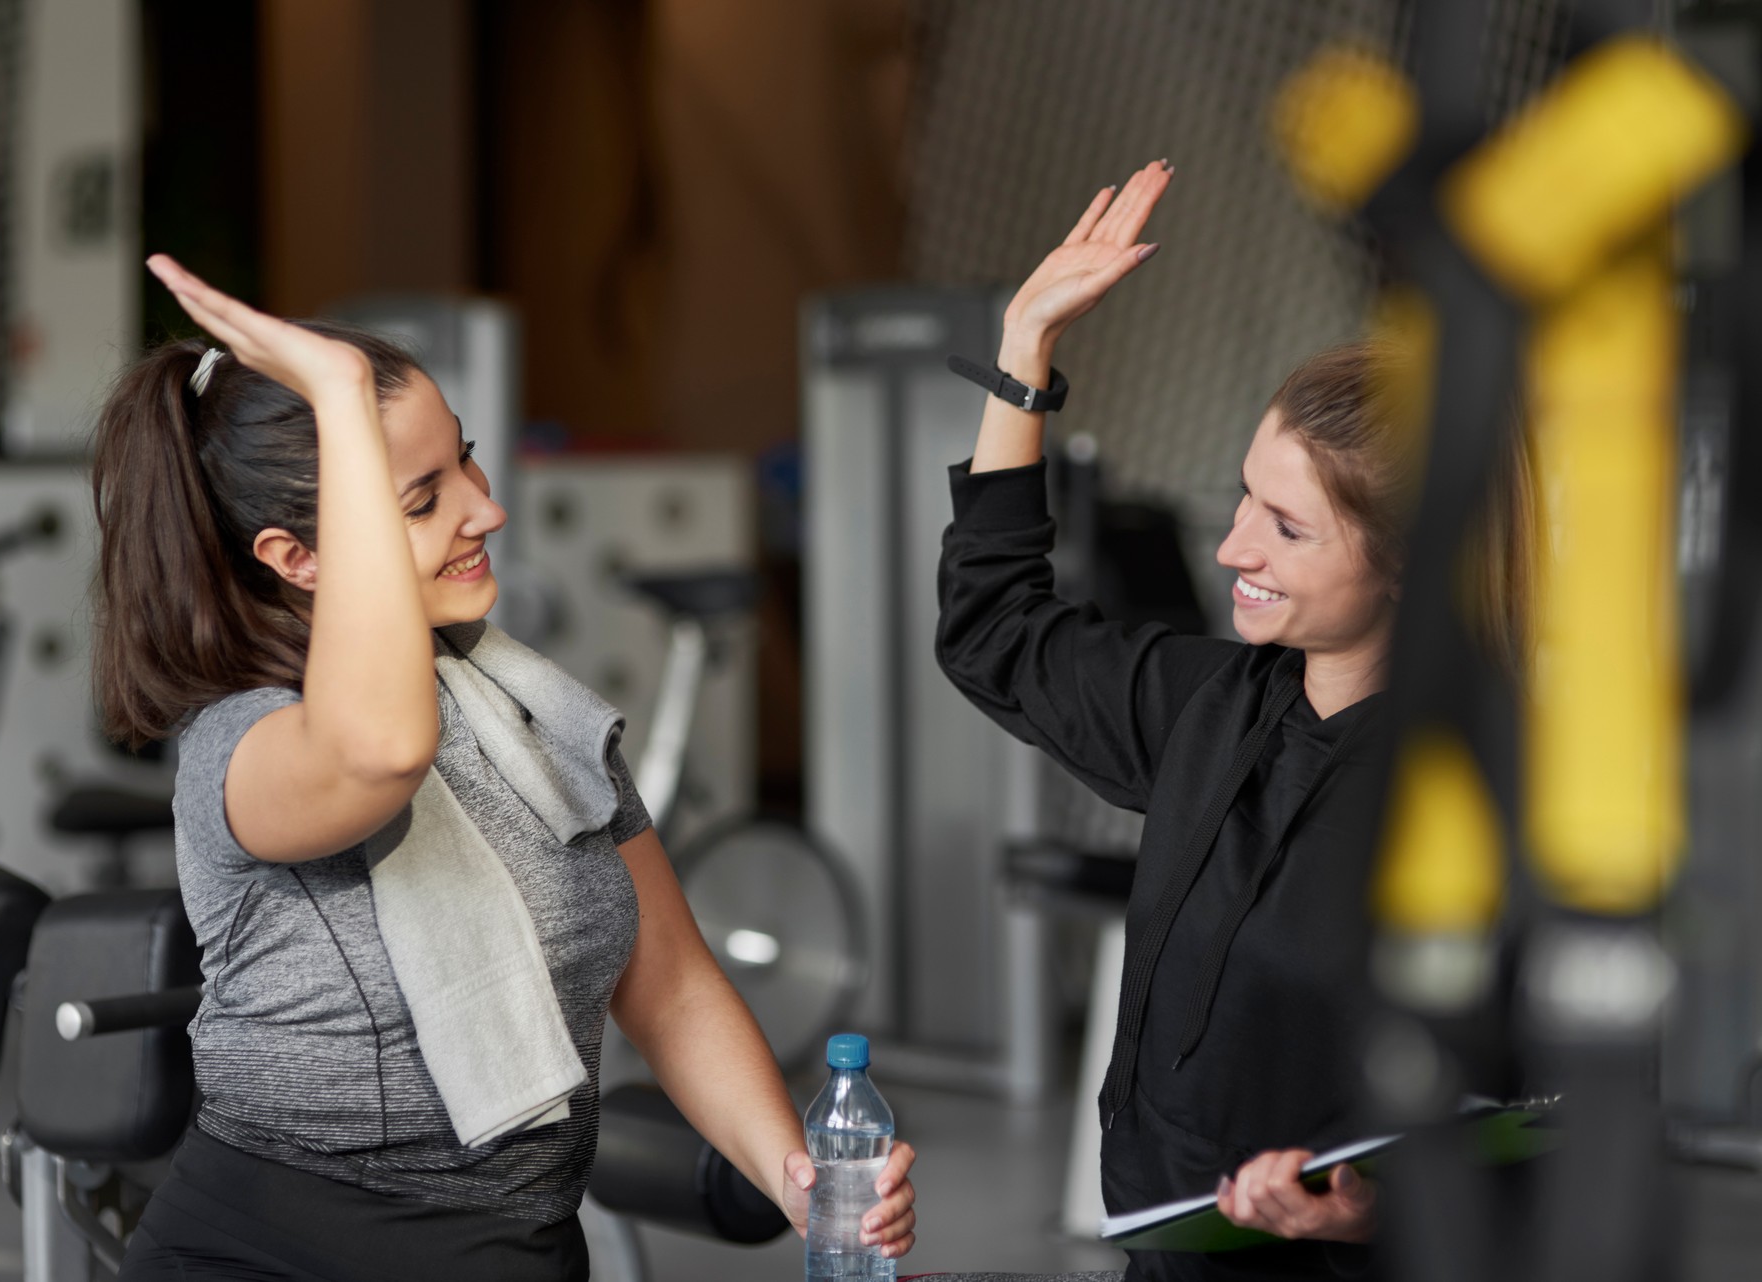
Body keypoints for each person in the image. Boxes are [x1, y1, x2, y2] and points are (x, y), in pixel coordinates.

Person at [99, 257, 918, 1281]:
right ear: (297, 557)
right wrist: (344, 397)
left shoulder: (536, 715)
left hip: (514, 1249)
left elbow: (667, 981)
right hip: (268, 1255)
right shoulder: (243, 743)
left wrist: (795, 1180)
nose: (484, 510)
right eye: (423, 497)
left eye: (468, 465)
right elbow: (386, 748)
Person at [934, 162, 1532, 1281]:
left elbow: (1557, 1144)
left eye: (1287, 528)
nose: (1231, 549)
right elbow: (995, 631)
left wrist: (1365, 1217)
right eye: (1244, 496)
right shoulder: (1212, 707)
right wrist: (1024, 354)